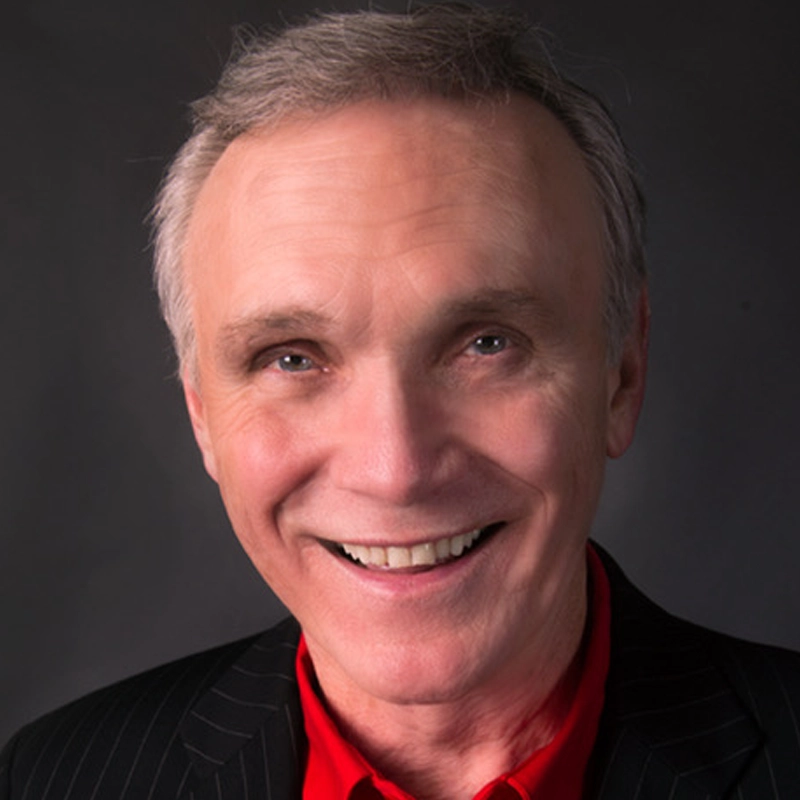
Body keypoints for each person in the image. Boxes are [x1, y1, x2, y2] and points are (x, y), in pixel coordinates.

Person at [2, 4, 799, 799]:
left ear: (621, 371)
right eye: (291, 358)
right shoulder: (54, 778)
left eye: (486, 343)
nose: (396, 470)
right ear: (202, 412)